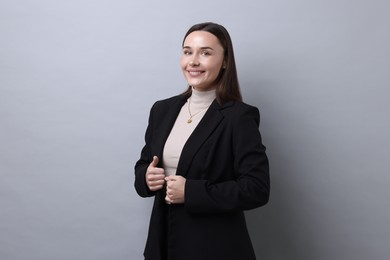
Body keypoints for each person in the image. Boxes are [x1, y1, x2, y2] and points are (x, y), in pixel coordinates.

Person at [134, 22, 270, 260]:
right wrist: (146, 176)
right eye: (188, 52)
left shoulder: (238, 117)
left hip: (214, 249)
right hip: (162, 245)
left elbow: (257, 189)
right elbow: (143, 165)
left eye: (205, 53)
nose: (193, 61)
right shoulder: (162, 110)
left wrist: (191, 191)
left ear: (225, 61)